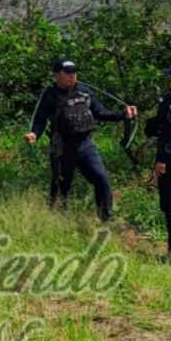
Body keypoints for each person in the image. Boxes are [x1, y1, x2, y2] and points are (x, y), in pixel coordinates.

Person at [25, 59, 138, 220]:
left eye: (74, 72)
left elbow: (100, 112)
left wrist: (123, 114)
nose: (72, 76)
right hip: (62, 148)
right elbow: (40, 119)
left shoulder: (85, 91)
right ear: (57, 75)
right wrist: (34, 134)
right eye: (68, 73)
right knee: (61, 186)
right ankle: (56, 218)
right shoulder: (50, 95)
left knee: (102, 179)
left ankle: (106, 218)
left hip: (85, 146)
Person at [145, 63, 171, 258]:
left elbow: (170, 135)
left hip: (170, 160)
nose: (169, 79)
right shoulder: (168, 100)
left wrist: (162, 161)